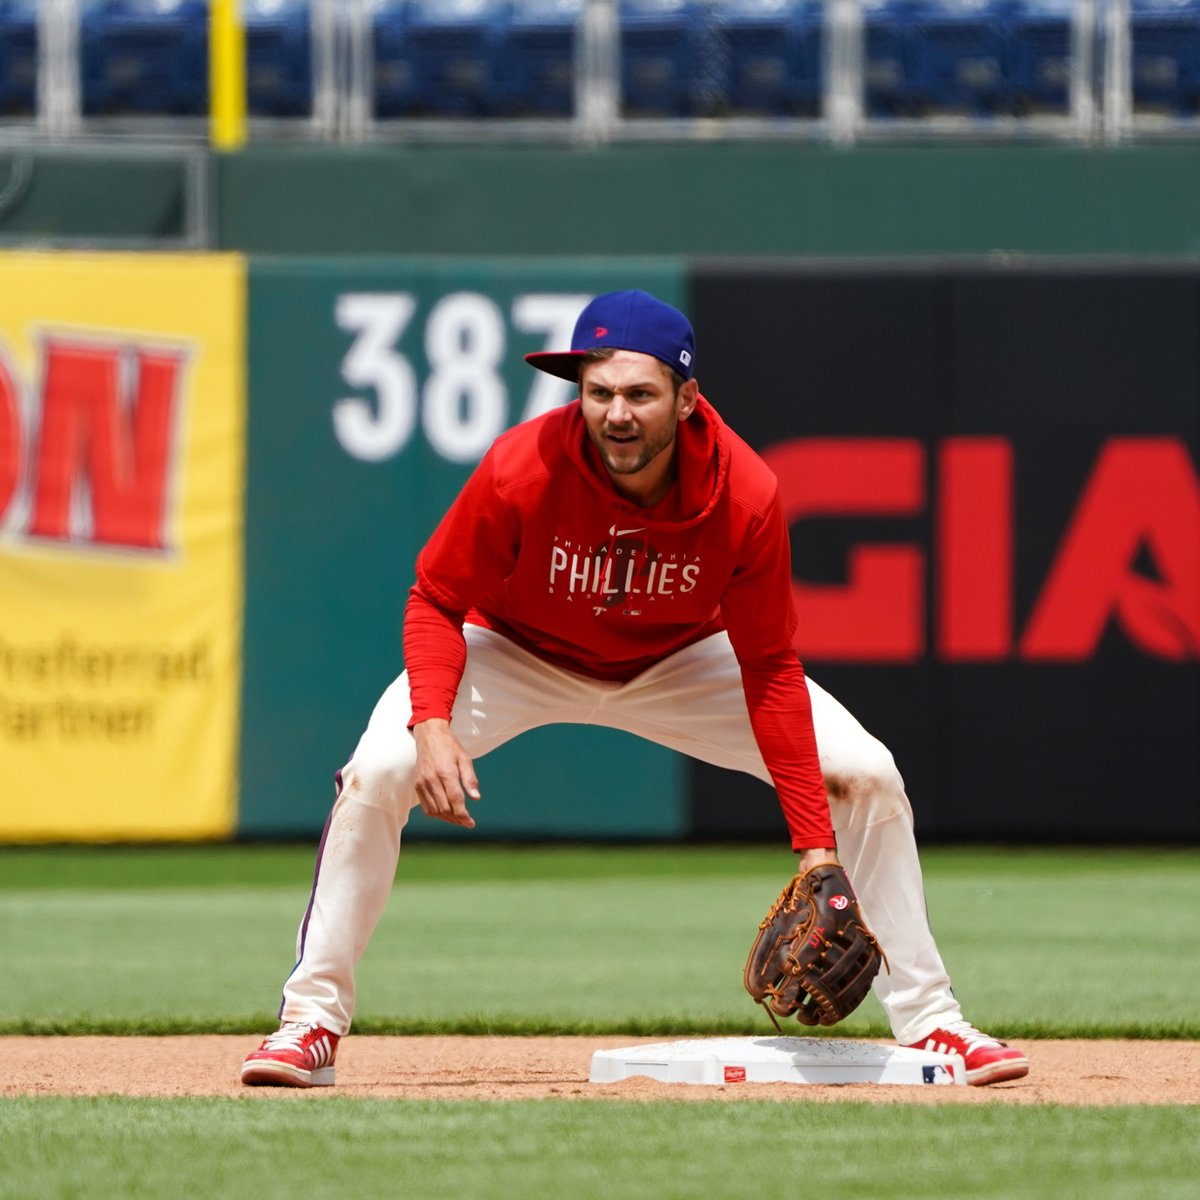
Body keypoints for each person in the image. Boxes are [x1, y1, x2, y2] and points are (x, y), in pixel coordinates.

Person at [241, 289, 1028, 1090]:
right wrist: (432, 724)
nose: (616, 413)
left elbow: (769, 667)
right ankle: (310, 1023)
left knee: (868, 774)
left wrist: (816, 847)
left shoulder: (745, 493)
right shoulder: (523, 467)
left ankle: (933, 1023)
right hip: (517, 649)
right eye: (598, 392)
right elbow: (437, 598)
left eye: (640, 394)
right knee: (377, 773)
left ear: (687, 399)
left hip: (680, 660)